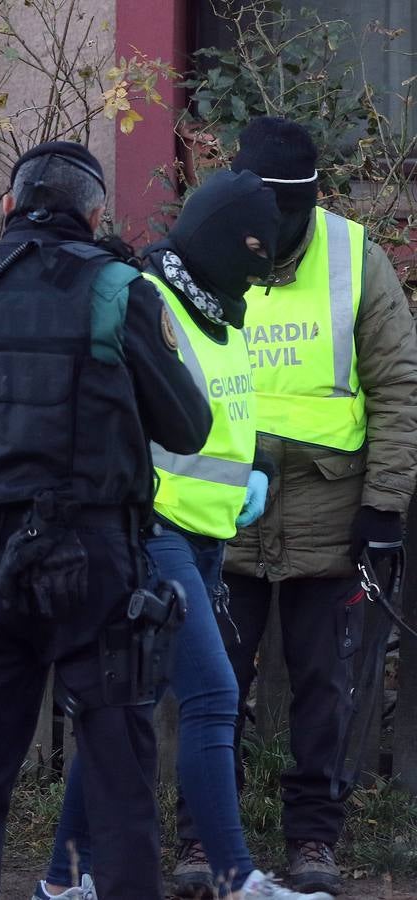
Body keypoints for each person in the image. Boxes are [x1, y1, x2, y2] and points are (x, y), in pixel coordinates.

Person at [0, 141, 213, 900]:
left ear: (7, 208)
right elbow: (189, 426)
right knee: (120, 779)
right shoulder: (116, 289)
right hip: (94, 561)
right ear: (96, 218)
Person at [36, 171, 334, 900]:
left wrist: (253, 469)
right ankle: (236, 877)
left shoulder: (221, 305)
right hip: (151, 530)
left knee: (124, 704)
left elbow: (228, 413)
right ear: (217, 242)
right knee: (212, 694)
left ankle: (60, 881)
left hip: (207, 534)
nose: (258, 279)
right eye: (250, 256)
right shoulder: (147, 299)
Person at [173, 116, 417, 896]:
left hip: (329, 512)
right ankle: (201, 842)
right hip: (221, 514)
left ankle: (314, 839)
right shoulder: (201, 254)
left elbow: (397, 384)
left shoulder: (355, 258)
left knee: (323, 685)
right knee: (213, 685)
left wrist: (384, 504)